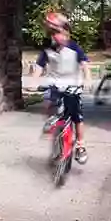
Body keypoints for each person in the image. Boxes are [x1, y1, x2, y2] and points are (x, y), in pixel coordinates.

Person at [32, 14, 90, 164]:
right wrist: (35, 80)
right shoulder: (48, 50)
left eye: (60, 33)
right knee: (48, 98)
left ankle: (80, 145)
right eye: (54, 34)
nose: (58, 37)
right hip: (55, 84)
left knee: (77, 115)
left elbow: (84, 64)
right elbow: (39, 66)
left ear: (66, 33)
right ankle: (51, 120)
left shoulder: (74, 47)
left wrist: (88, 79)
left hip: (72, 85)